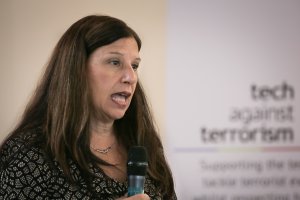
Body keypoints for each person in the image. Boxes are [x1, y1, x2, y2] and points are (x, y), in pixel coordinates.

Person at [0, 15, 176, 200]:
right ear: (77, 69)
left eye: (134, 66)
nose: (130, 77)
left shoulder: (143, 142)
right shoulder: (32, 154)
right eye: (115, 62)